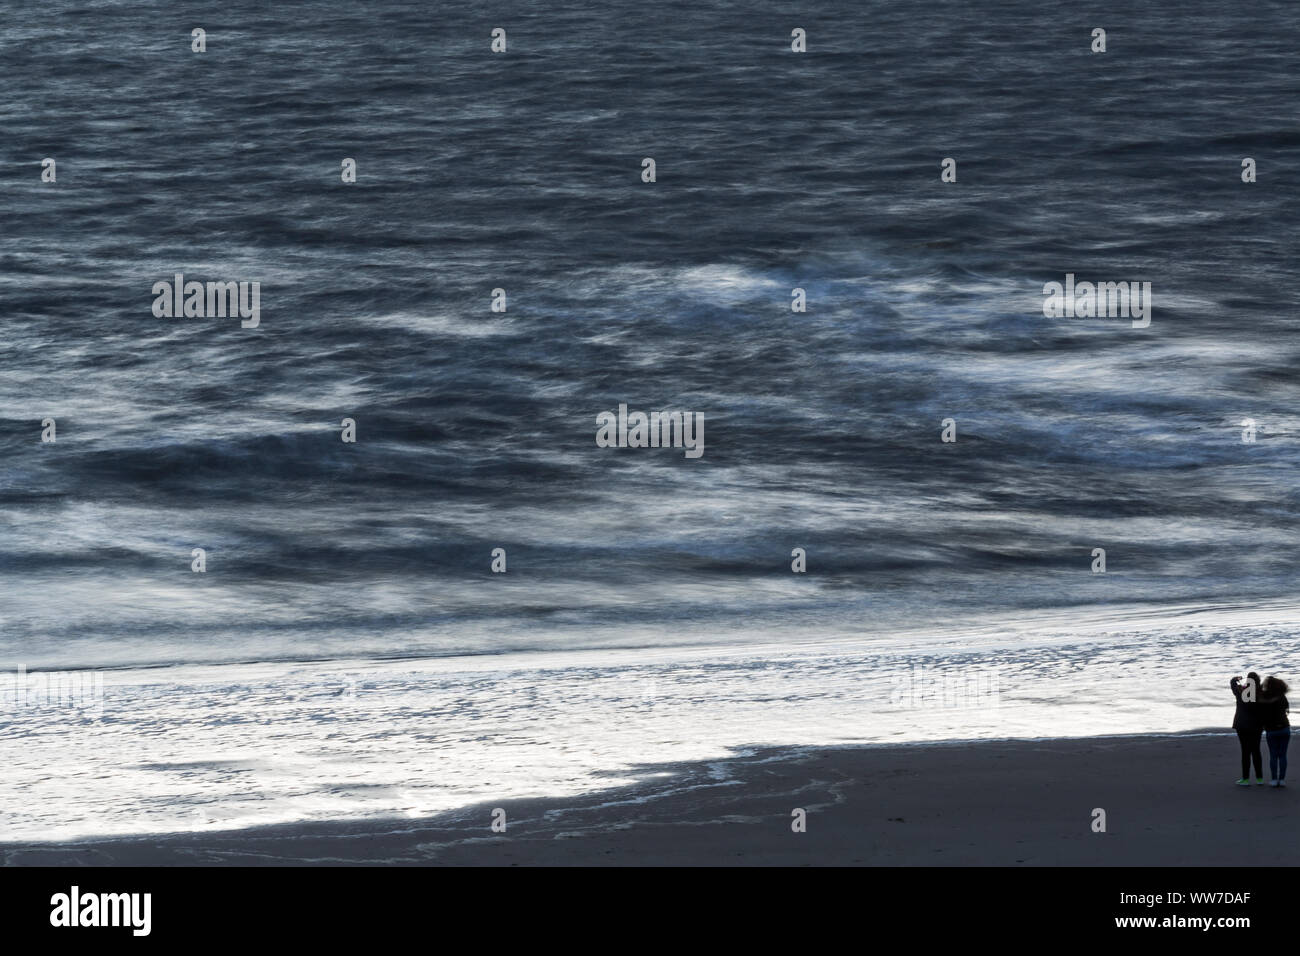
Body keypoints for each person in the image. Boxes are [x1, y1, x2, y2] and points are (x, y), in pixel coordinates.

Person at [1231, 673, 1265, 786]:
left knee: (1245, 751)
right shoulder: (1261, 694)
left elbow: (1233, 685)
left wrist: (1235, 679)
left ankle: (1245, 779)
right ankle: (1259, 779)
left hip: (1242, 725)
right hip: (1256, 726)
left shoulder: (1241, 692)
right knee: (1256, 751)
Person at [1259, 676, 1290, 788]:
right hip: (1284, 728)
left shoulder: (1264, 698)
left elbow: (1261, 715)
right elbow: (1287, 710)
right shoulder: (1282, 696)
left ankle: (1273, 779)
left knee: (1273, 755)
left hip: (1271, 730)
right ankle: (1281, 780)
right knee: (1283, 755)